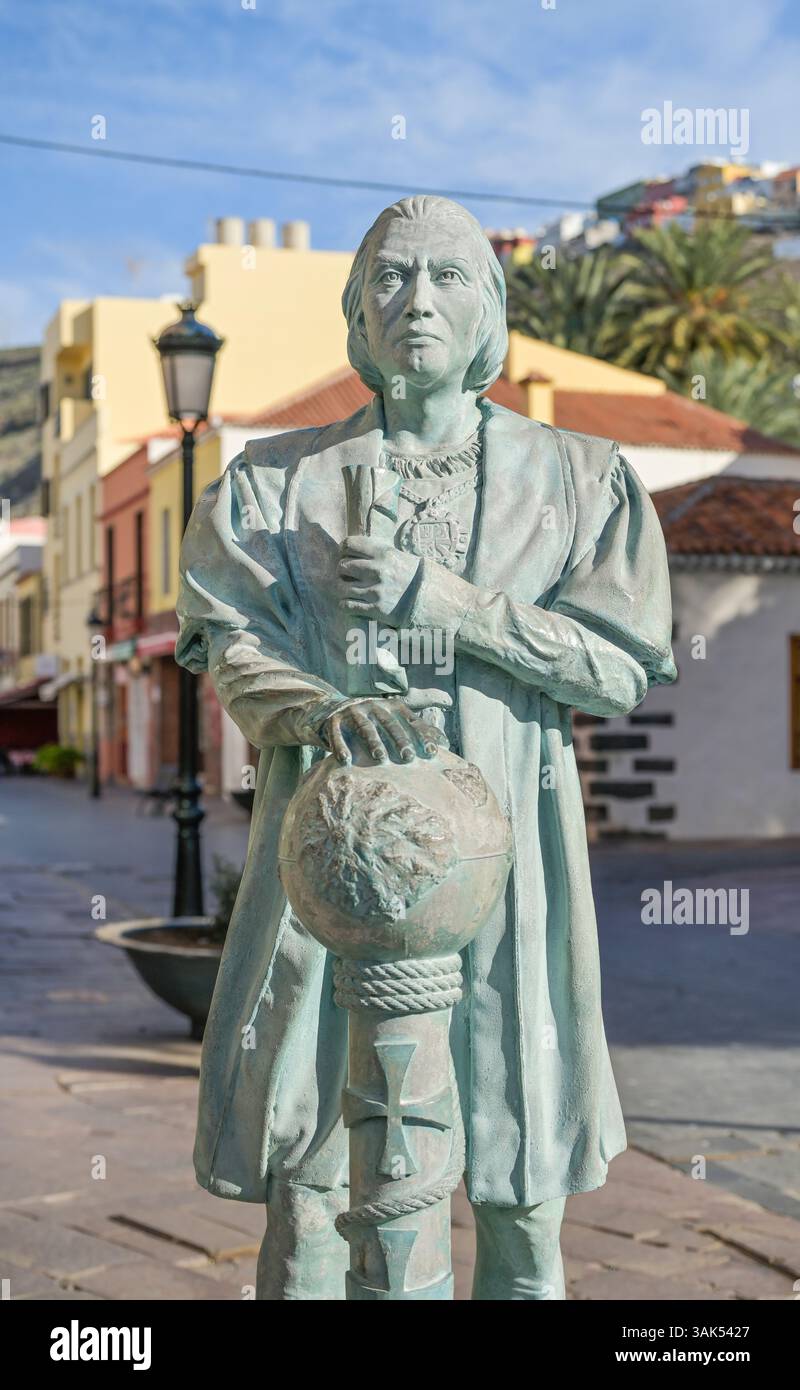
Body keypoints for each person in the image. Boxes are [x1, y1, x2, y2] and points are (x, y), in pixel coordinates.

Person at [176, 195, 677, 1300]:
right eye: (390, 278)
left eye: (448, 276)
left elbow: (617, 667)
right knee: (307, 1178)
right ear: (355, 314)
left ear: (490, 310)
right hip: (326, 856)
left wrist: (447, 603)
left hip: (511, 859)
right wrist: (310, 708)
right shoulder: (271, 483)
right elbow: (230, 642)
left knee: (518, 1181)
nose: (417, 300)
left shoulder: (578, 481)